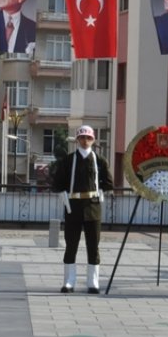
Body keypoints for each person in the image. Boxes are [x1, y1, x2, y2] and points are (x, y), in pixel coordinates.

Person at [52, 125, 114, 294]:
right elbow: (57, 183)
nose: (85, 141)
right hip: (73, 207)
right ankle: (69, 281)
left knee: (93, 245)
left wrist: (100, 192)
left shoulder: (99, 161)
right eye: (82, 138)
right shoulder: (68, 160)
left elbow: (109, 183)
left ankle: (93, 282)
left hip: (93, 207)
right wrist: (64, 194)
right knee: (71, 245)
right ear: (77, 140)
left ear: (93, 140)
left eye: (88, 138)